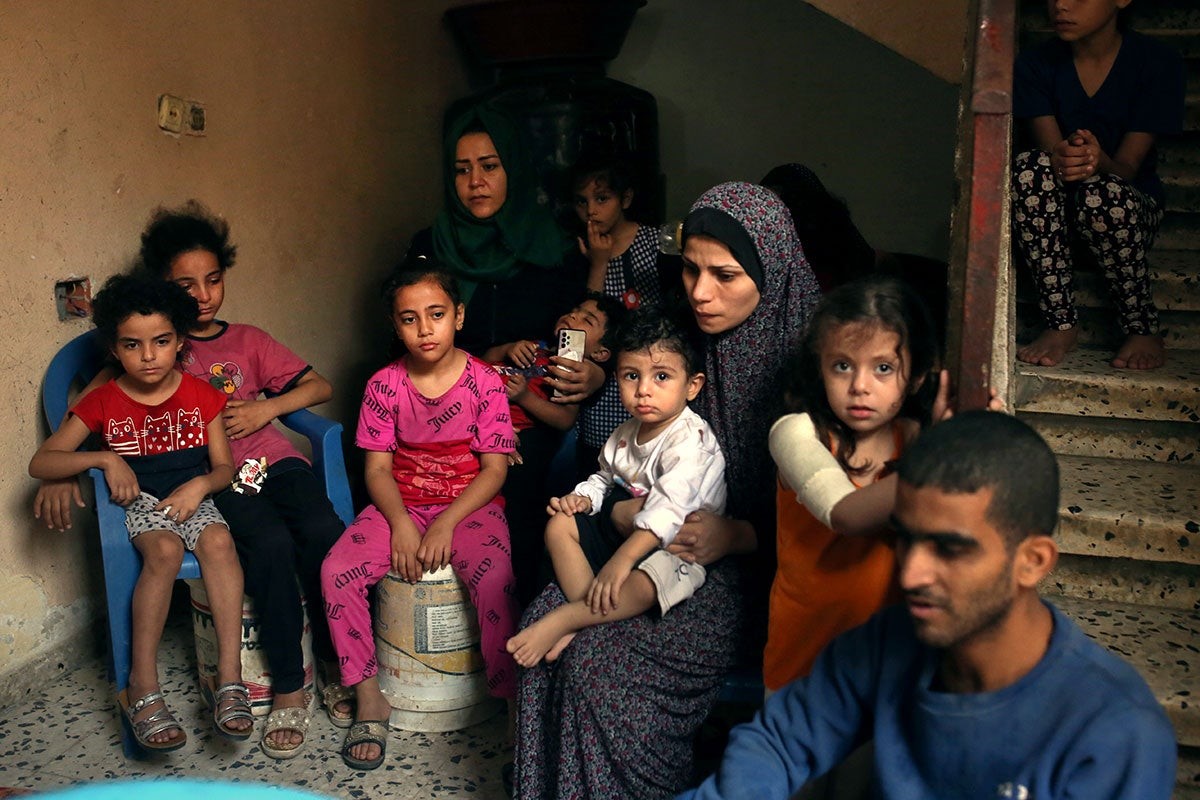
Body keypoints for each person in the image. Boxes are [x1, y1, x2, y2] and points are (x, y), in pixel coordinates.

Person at [680, 410, 1177, 800]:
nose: (912, 573)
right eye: (907, 539)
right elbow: (778, 740)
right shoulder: (886, 642)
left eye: (950, 548)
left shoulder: (1115, 732)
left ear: (1032, 561)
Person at [515, 181, 820, 799]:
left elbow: (832, 512)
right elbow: (620, 446)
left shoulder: (815, 363)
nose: (702, 292)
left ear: (773, 266)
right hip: (644, 539)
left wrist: (739, 534)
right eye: (692, 269)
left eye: (726, 275)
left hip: (747, 576)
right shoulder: (677, 338)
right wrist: (621, 502)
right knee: (541, 622)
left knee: (600, 668)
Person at [36, 201, 349, 759]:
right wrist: (66, 473)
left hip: (256, 464)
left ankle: (334, 658)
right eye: (187, 283)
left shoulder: (239, 346)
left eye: (213, 280)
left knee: (323, 529)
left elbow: (316, 388)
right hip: (209, 480)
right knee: (270, 544)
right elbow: (77, 427)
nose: (203, 295)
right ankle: (285, 686)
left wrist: (266, 409)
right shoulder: (139, 351)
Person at [29, 273, 252, 751]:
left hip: (193, 493)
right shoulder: (103, 401)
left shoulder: (202, 396)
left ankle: (228, 679)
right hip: (142, 502)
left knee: (218, 541)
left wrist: (199, 487)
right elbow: (42, 461)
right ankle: (142, 686)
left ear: (180, 343)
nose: (148, 356)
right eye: (133, 344)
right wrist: (105, 457)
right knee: (165, 552)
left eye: (162, 341)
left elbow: (223, 468)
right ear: (113, 348)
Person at [320, 264, 520, 771]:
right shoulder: (384, 386)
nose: (425, 329)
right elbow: (378, 469)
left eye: (436, 315)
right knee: (334, 572)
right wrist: (405, 524)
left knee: (495, 577)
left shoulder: (486, 384)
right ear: (395, 325)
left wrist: (447, 522)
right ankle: (370, 696)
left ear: (459, 315)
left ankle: (512, 697)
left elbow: (495, 471)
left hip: (470, 504)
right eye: (409, 319)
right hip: (399, 504)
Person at [405, 103, 601, 608]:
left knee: (517, 474)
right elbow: (407, 341)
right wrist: (487, 355)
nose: (475, 182)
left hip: (527, 408)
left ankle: (516, 615)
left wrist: (591, 373)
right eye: (462, 169)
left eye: (490, 166)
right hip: (444, 397)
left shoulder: (554, 249)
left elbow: (578, 335)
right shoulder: (430, 246)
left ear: (513, 167)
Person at [507, 309, 726, 668]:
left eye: (661, 377)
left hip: (674, 545)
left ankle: (569, 619)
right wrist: (583, 499)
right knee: (559, 525)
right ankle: (589, 615)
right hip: (623, 534)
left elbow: (670, 508)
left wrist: (621, 562)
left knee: (651, 579)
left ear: (693, 385)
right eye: (631, 376)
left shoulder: (690, 440)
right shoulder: (626, 431)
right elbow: (604, 478)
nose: (643, 390)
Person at [763, 275, 939, 690]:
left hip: (888, 664)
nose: (860, 386)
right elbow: (845, 514)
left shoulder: (914, 438)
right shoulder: (796, 433)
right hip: (803, 665)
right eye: (842, 366)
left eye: (883, 368)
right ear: (820, 368)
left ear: (915, 377)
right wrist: (941, 455)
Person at [1011, 0, 1185, 370]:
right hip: (1052, 219)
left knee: (1101, 194)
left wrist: (1098, 161)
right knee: (1029, 166)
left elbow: (1128, 167)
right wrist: (1065, 158)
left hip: (1124, 208)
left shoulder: (1156, 63)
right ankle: (1060, 323)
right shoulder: (1034, 64)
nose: (1060, 4)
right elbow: (1050, 153)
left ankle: (1141, 327)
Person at [486, 290, 625, 602]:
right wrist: (510, 348)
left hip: (521, 439)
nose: (573, 317)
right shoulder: (535, 348)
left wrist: (523, 398)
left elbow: (563, 419)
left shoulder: (571, 368)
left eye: (586, 320)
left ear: (601, 354)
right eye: (574, 310)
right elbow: (483, 360)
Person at [570, 154, 679, 471]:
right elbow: (581, 322)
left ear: (625, 198)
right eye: (582, 201)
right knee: (599, 467)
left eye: (602, 198)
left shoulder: (654, 242)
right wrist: (597, 262)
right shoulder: (580, 251)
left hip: (649, 368)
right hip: (601, 384)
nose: (591, 211)